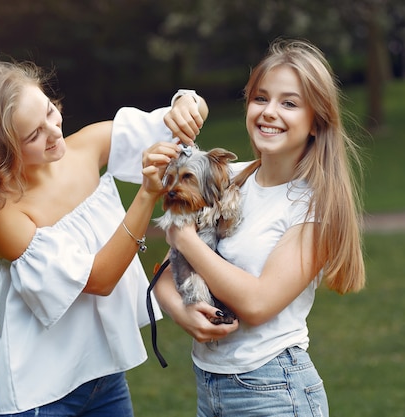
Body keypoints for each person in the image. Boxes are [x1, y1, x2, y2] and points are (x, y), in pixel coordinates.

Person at [0, 59, 208, 416]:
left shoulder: (86, 147)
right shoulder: (0, 213)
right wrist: (145, 196)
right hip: (41, 395)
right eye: (34, 135)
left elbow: (175, 125)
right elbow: (99, 278)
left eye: (49, 111)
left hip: (105, 378)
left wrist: (187, 103)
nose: (54, 131)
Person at [154, 39, 366, 416]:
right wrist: (181, 312)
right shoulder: (229, 179)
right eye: (260, 98)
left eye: (289, 103)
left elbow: (256, 303)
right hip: (209, 384)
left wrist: (184, 236)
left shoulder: (312, 208)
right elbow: (167, 274)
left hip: (273, 389)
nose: (269, 112)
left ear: (316, 120)